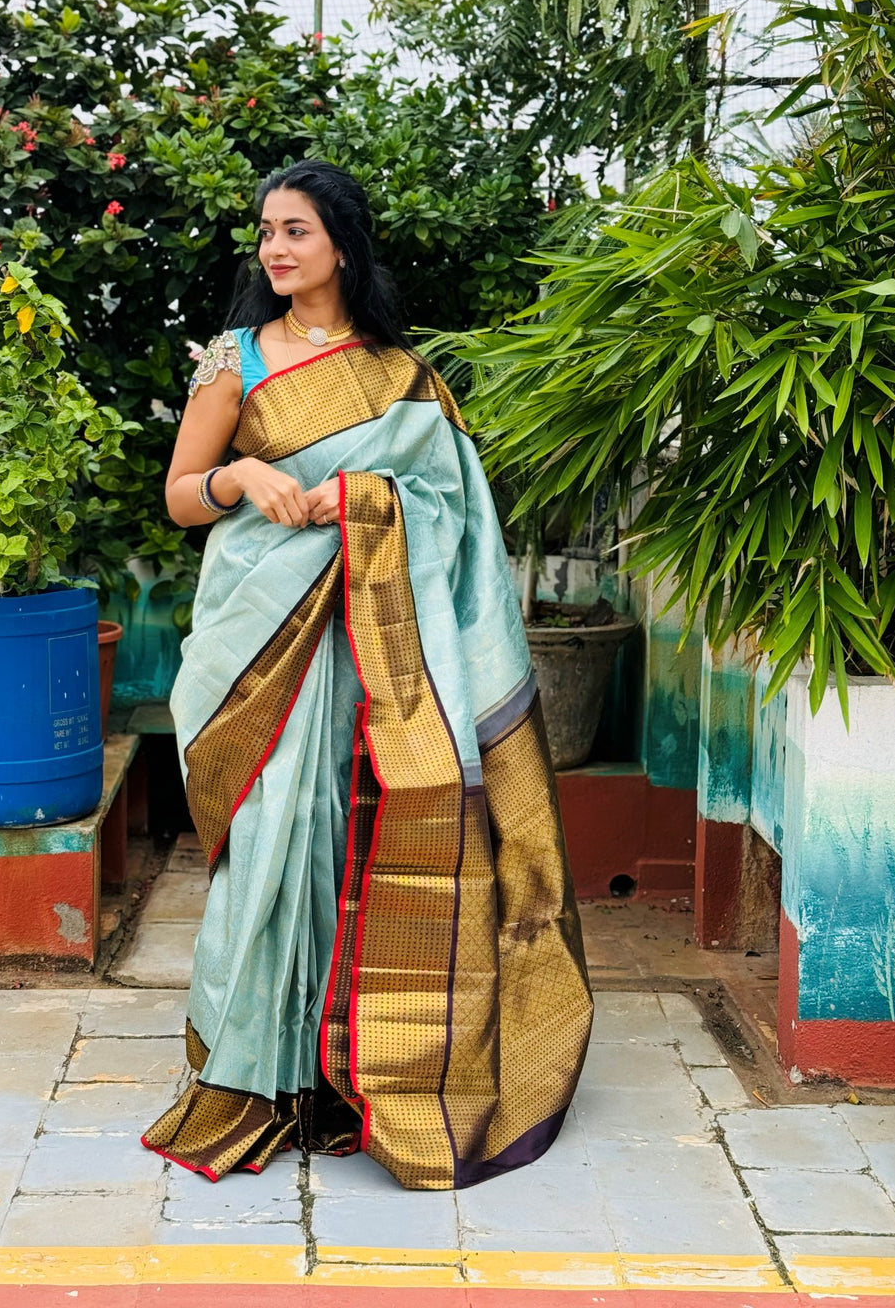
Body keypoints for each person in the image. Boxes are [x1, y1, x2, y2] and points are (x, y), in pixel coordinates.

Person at [141, 158, 593, 1191]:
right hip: (262, 638)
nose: (275, 248)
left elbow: (454, 512)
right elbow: (180, 494)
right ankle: (258, 1072)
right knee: (273, 834)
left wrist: (363, 502)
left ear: (342, 245)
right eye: (266, 231)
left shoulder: (401, 375)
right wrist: (240, 476)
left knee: (354, 830)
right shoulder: (232, 359)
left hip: (382, 642)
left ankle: (355, 1070)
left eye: (295, 230)